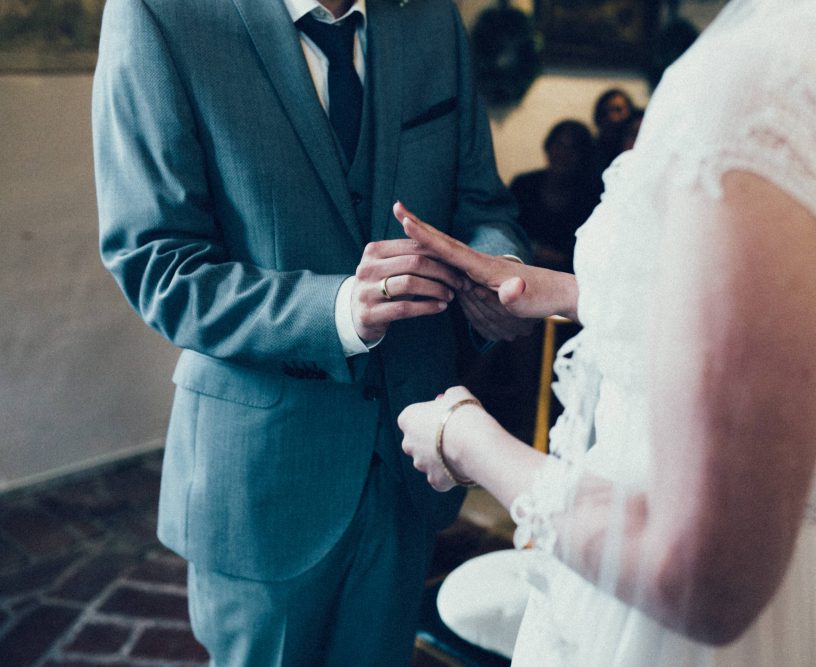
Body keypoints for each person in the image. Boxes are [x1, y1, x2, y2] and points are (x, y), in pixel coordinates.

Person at [395, 0, 816, 664]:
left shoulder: (767, 85)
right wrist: (567, 291)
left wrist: (468, 440)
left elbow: (700, 574)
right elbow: (804, 319)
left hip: (672, 626)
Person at [92, 0, 530, 663]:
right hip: (263, 480)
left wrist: (502, 274)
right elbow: (156, 262)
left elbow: (483, 205)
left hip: (409, 465)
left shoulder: (431, 17)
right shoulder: (160, 14)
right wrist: (337, 311)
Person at [510, 119, 601, 273]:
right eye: (560, 145)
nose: (564, 154)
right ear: (548, 147)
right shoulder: (523, 185)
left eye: (574, 148)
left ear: (583, 156)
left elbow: (593, 248)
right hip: (522, 268)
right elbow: (508, 229)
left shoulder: (590, 195)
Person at [592, 88, 636, 176]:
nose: (612, 117)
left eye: (618, 110)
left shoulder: (638, 148)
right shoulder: (592, 153)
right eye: (606, 112)